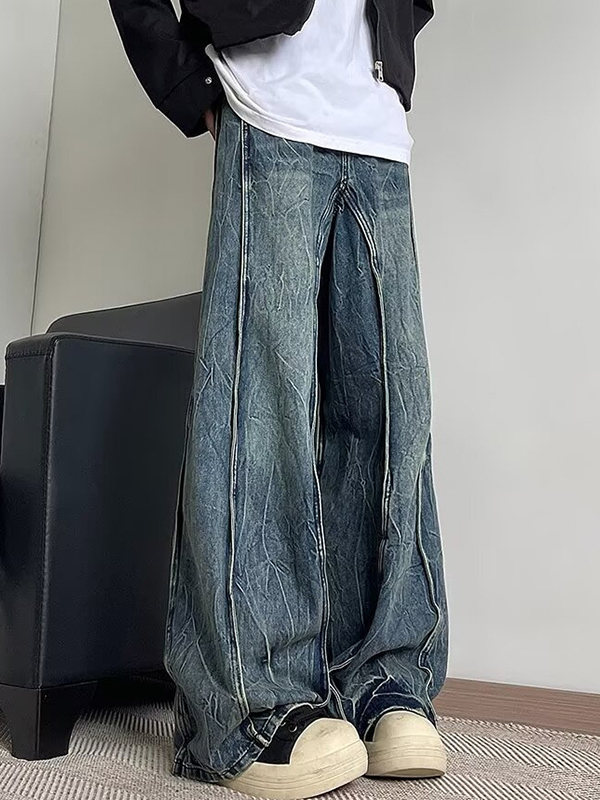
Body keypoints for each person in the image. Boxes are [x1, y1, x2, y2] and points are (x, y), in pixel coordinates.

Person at [107, 1, 449, 797]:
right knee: (258, 418)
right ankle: (249, 708)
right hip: (268, 106)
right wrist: (187, 82)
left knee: (391, 422)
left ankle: (382, 680)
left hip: (376, 125)